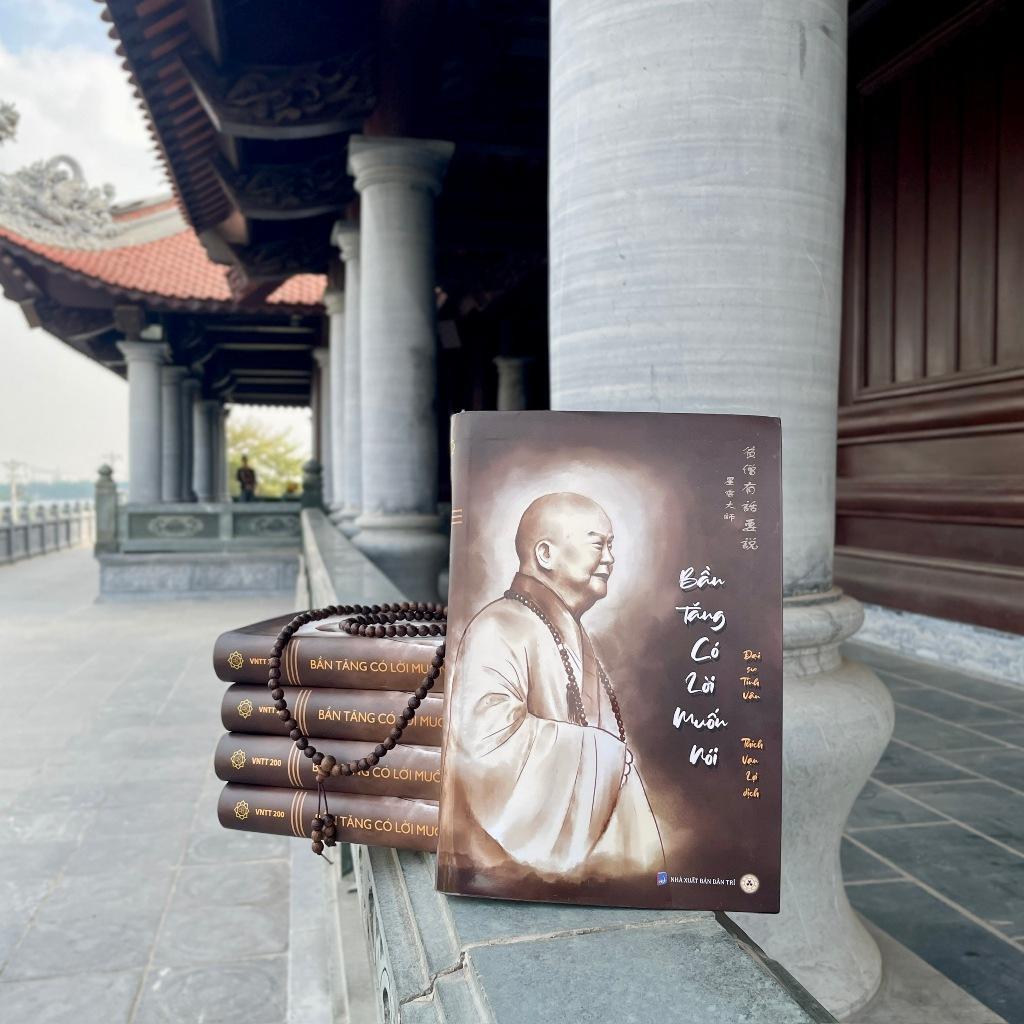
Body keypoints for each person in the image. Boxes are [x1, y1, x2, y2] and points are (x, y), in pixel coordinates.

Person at [438, 492, 665, 897]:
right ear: (545, 554)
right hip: (503, 870)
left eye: (611, 545)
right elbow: (485, 748)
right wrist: (603, 755)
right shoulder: (499, 626)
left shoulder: (568, 630)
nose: (610, 558)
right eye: (598, 544)